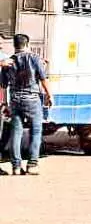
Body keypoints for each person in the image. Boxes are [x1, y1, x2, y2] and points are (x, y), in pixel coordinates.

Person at [0, 34, 52, 176]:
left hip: (15, 100)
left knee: (16, 133)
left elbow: (3, 86)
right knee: (36, 130)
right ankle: (32, 165)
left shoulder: (8, 61)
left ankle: (16, 167)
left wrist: (5, 102)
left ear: (15, 45)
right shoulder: (34, 58)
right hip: (32, 100)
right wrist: (50, 95)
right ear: (27, 44)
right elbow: (43, 79)